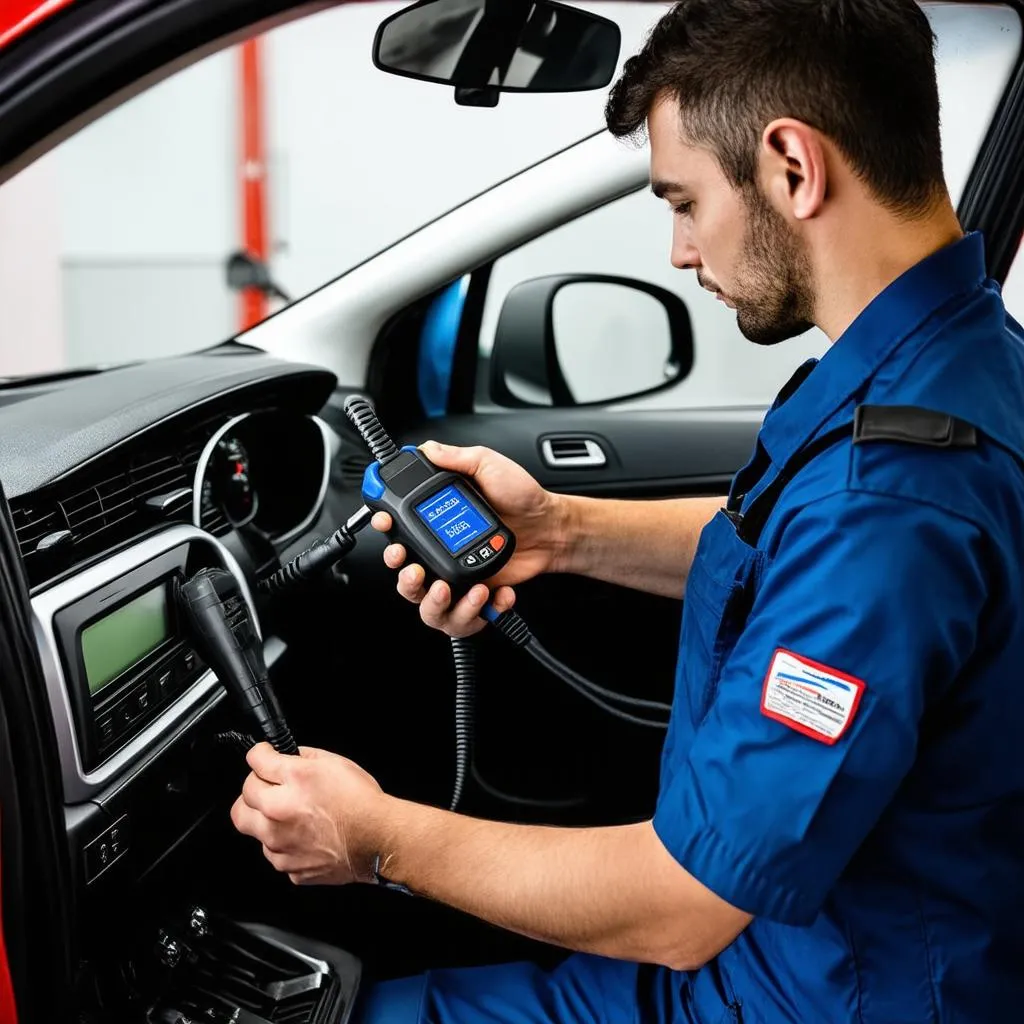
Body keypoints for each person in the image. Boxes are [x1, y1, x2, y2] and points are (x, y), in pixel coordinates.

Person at [229, 0, 1024, 1020]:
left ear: (792, 165)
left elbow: (683, 909)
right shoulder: (963, 368)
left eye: (684, 202)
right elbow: (785, 552)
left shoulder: (892, 497)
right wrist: (560, 529)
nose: (680, 252)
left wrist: (374, 838)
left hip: (808, 991)